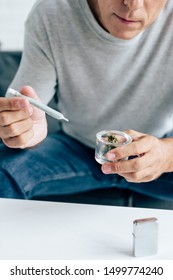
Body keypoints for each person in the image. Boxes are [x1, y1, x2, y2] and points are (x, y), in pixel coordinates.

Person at [0, 0, 173, 202]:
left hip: (158, 145)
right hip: (78, 147)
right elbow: (24, 117)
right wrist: (25, 133)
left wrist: (166, 155)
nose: (132, 4)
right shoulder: (53, 12)